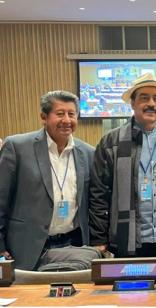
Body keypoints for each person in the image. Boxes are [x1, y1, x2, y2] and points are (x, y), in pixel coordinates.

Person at [89, 73, 156, 257]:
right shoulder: (111, 142)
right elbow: (98, 194)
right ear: (132, 103)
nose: (151, 103)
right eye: (144, 98)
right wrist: (98, 238)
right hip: (127, 239)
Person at [0, 90, 94, 270]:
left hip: (74, 247)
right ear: (44, 117)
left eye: (71, 114)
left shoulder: (88, 153)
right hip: (27, 248)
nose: (67, 120)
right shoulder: (17, 147)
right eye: (60, 114)